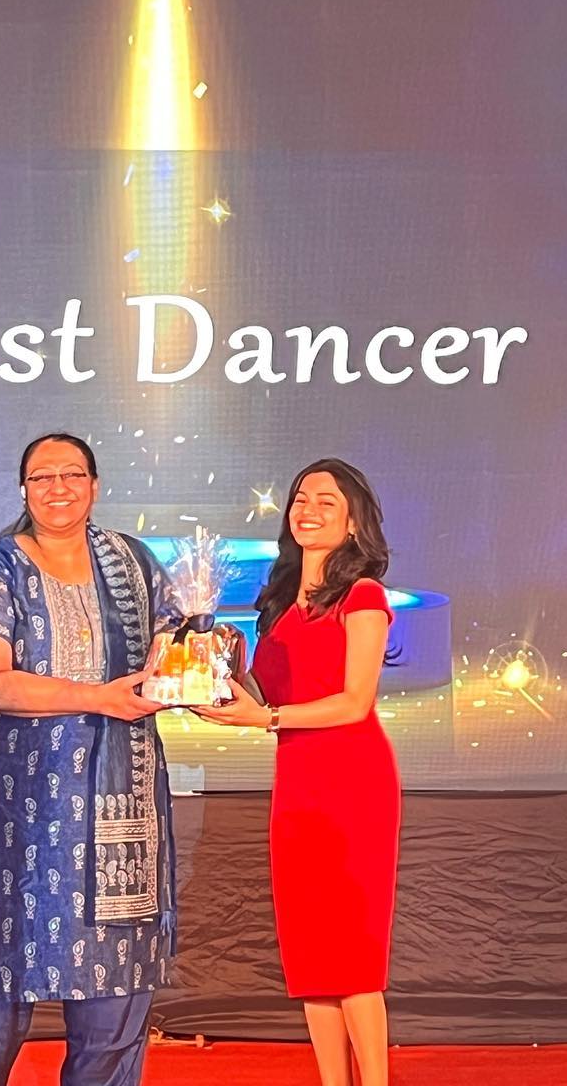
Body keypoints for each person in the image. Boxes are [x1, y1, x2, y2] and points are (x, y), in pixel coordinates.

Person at [0, 432, 182, 1086]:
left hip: (120, 813)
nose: (58, 488)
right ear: (23, 489)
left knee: (116, 998)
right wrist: (98, 697)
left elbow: (177, 646)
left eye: (72, 474)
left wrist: (192, 666)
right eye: (42, 476)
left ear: (95, 485)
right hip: (15, 815)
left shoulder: (132, 562)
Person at [196, 459, 401, 1086]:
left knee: (353, 954)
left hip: (353, 781)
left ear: (354, 522)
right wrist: (206, 664)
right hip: (298, 782)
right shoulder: (281, 604)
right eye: (300, 498)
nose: (307, 510)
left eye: (326, 501)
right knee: (312, 953)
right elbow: (263, 693)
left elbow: (354, 702)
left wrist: (267, 718)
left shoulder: (363, 596)